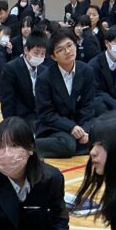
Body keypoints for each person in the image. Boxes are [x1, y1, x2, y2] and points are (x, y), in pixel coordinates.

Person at [35, 29, 97, 158]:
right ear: (53, 57)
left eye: (69, 45)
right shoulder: (44, 78)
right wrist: (71, 127)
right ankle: (29, 146)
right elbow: (46, 114)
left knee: (103, 137)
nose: (67, 51)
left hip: (79, 124)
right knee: (68, 144)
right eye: (60, 50)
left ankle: (77, 143)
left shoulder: (87, 71)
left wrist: (84, 131)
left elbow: (88, 106)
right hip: (54, 127)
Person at [0, 31, 48, 125]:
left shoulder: (44, 70)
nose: (39, 57)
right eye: (36, 53)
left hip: (41, 118)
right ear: (26, 50)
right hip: (20, 120)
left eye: (43, 54)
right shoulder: (11, 69)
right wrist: (10, 126)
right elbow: (7, 101)